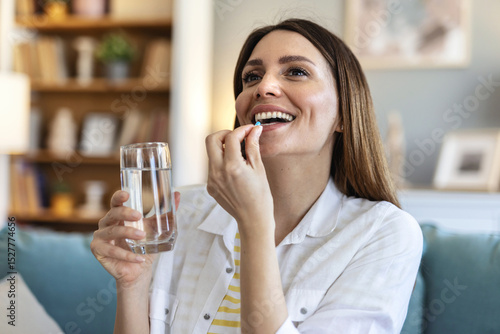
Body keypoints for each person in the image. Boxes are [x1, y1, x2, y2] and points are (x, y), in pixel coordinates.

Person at [91, 18, 423, 334]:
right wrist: (132, 284)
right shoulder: (176, 214)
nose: (264, 87)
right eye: (252, 77)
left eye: (295, 71)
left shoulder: (385, 234)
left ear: (343, 114)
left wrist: (254, 223)